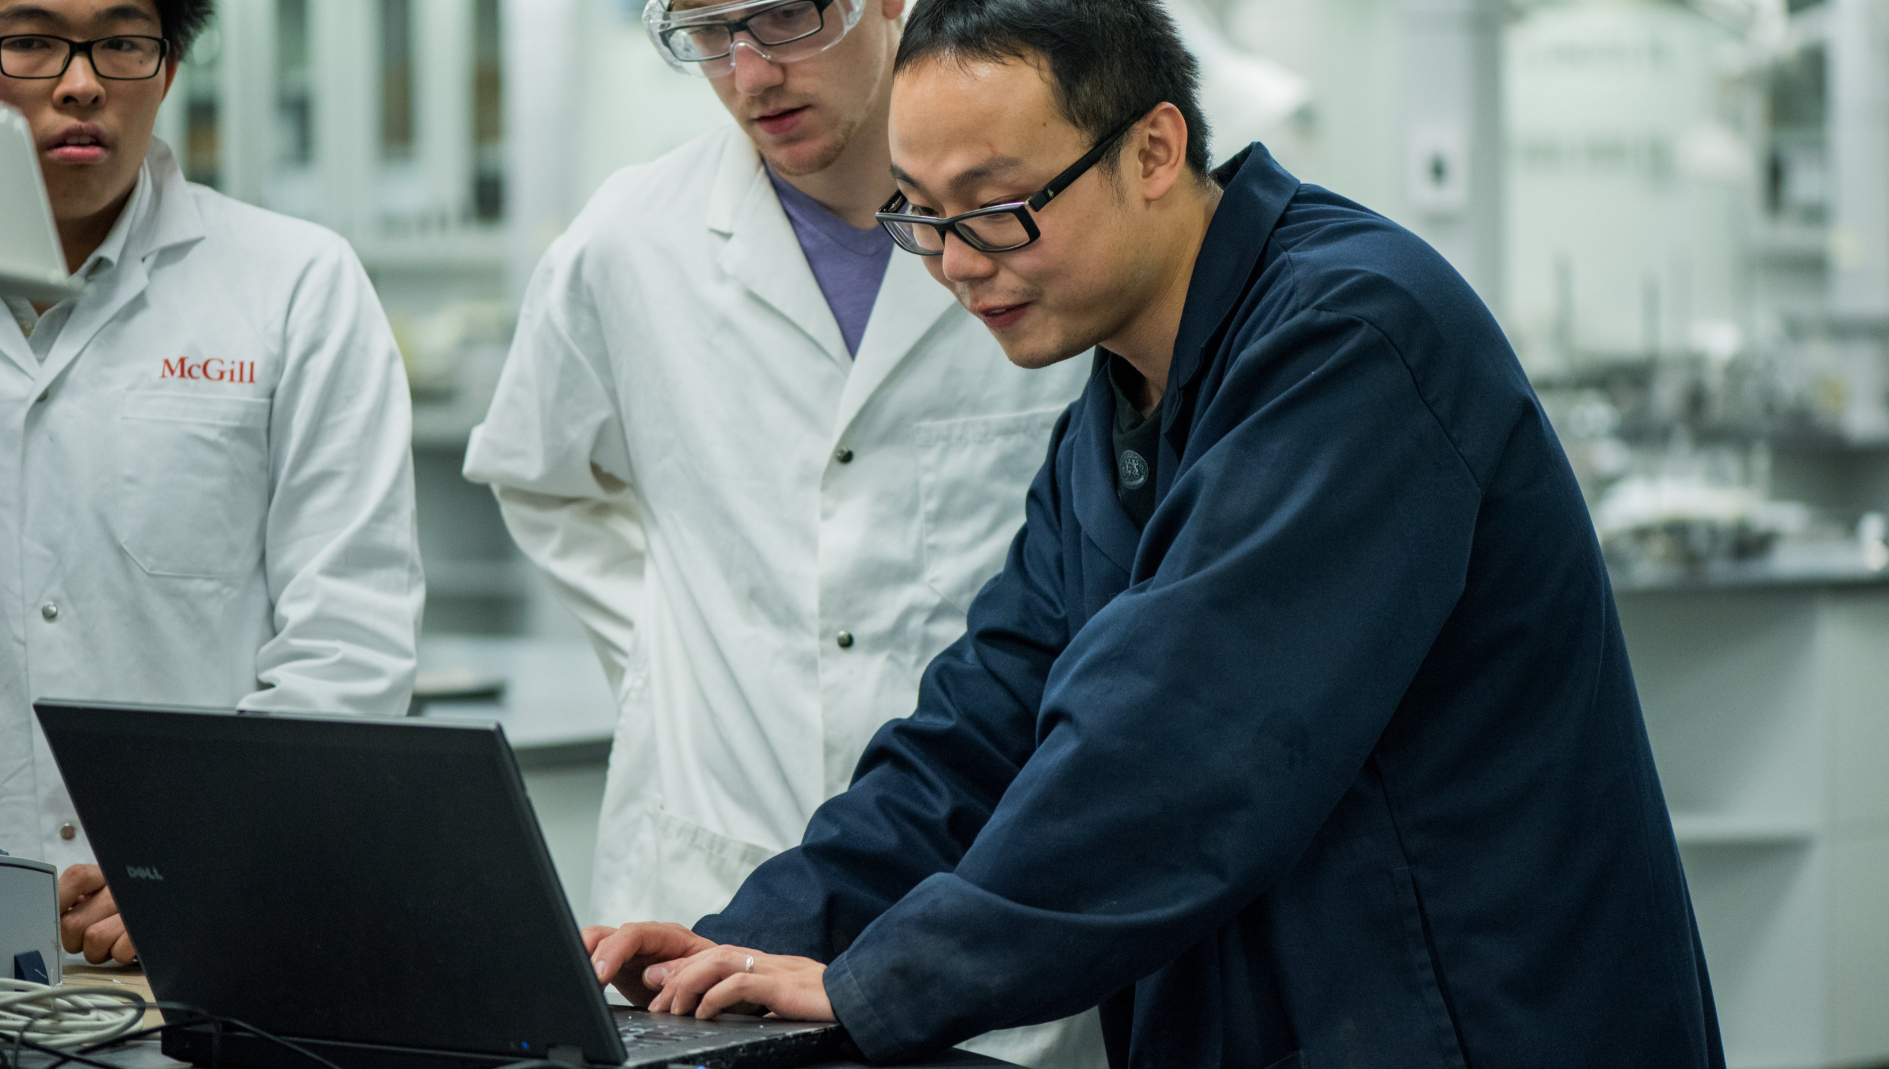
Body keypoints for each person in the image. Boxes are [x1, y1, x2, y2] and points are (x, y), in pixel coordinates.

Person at [581, 0, 1726, 1065]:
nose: (961, 265)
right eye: (922, 217)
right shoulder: (1122, 399)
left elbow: (1186, 742)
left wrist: (881, 981)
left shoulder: (1353, 337)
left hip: (1464, 1012)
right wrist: (737, 944)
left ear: (1153, 150)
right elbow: (986, 723)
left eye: (993, 205)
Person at [460, 0, 1097, 1063]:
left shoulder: (1035, 237)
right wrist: (669, 653)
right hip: (705, 878)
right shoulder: (628, 241)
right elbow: (537, 474)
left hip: (988, 874)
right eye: (705, 33)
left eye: (787, 16)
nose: (749, 72)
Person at [0, 0, 423, 965]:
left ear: (172, 65)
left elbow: (349, 646)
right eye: (28, 41)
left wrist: (199, 865)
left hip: (217, 947)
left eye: (120, 41)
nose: (79, 82)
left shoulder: (295, 285)